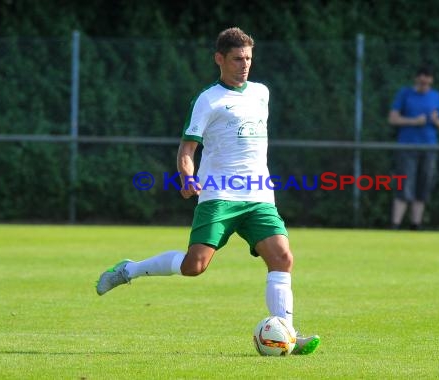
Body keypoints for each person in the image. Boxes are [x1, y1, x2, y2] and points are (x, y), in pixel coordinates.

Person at [95, 27, 320, 355]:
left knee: (283, 258)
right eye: (237, 58)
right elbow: (187, 149)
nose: (244, 64)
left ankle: (286, 333)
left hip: (258, 195)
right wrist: (188, 178)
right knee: (194, 267)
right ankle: (128, 270)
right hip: (219, 196)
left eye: (248, 58)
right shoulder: (208, 100)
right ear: (219, 59)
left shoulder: (261, 93)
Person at [388, 65, 439, 230]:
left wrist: (436, 121)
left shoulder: (437, 96)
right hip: (407, 146)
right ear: (416, 79)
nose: (424, 85)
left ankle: (416, 224)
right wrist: (413, 121)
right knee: (404, 184)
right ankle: (396, 224)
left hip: (429, 147)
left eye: (427, 81)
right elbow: (393, 119)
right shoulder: (405, 94)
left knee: (424, 185)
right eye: (421, 80)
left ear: (431, 81)